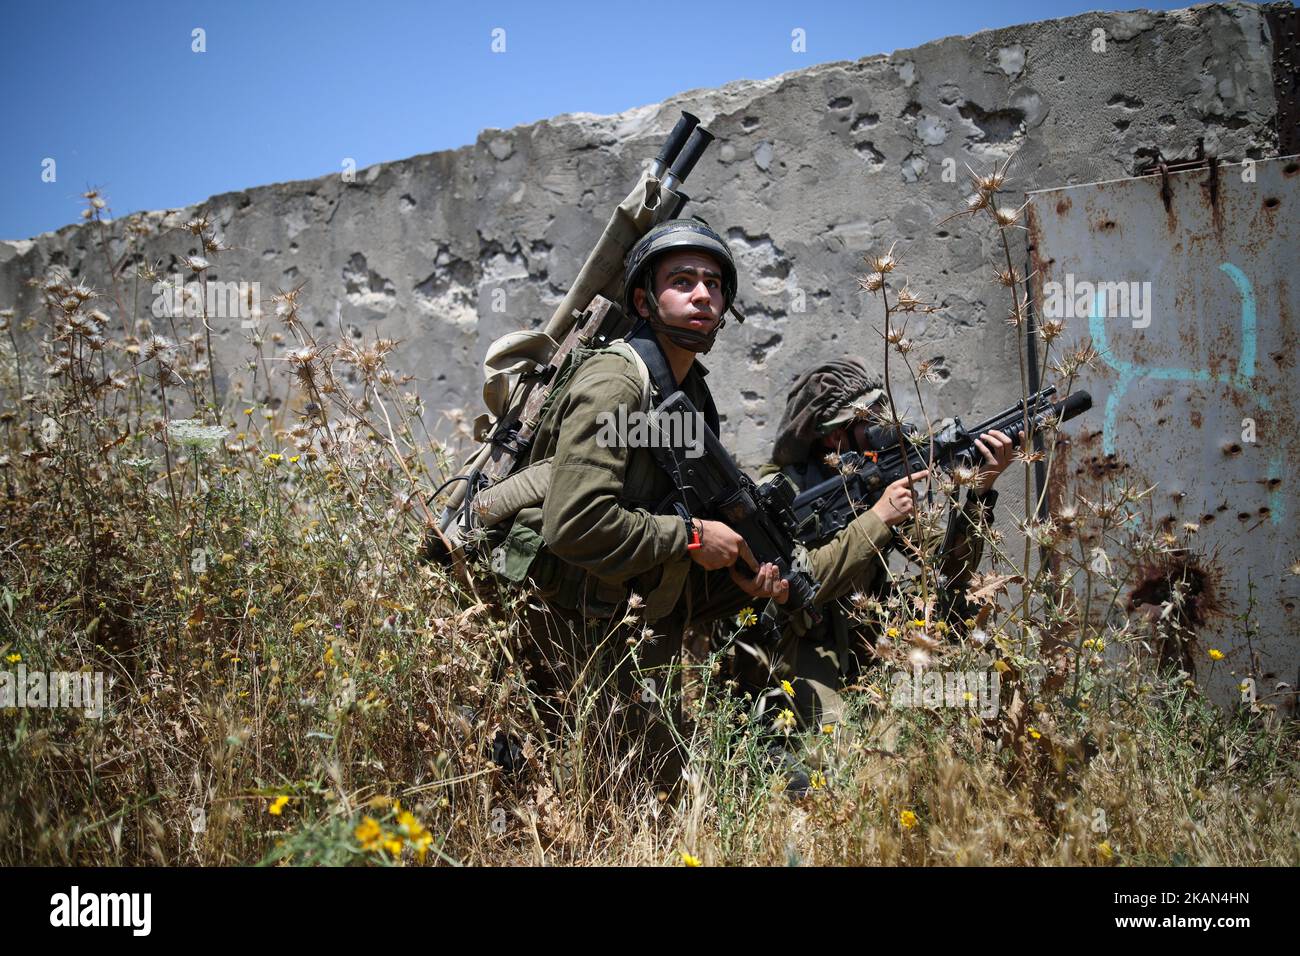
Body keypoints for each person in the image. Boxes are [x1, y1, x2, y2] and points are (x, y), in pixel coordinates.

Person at [487, 222, 903, 797]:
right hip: (564, 621)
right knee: (590, 791)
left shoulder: (684, 393)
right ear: (643, 300)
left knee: (649, 789)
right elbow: (577, 521)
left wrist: (745, 578)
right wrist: (689, 536)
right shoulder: (618, 385)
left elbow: (677, 508)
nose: (702, 295)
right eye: (681, 282)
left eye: (713, 283)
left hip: (623, 620)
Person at [728, 357, 1015, 734]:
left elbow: (949, 567)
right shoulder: (781, 496)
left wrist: (979, 495)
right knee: (843, 748)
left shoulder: (873, 481)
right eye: (871, 423)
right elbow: (802, 578)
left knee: (968, 691)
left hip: (869, 647)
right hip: (800, 654)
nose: (885, 429)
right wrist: (878, 518)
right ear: (834, 437)